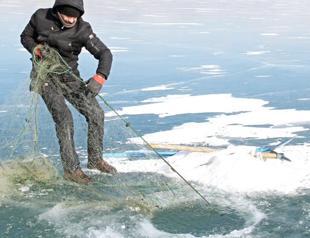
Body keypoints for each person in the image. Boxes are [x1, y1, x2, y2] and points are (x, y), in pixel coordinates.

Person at [20, 0, 117, 184]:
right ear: (57, 12)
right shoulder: (40, 16)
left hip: (70, 77)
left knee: (96, 114)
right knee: (64, 118)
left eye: (75, 16)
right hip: (45, 78)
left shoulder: (83, 30)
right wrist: (35, 48)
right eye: (67, 15)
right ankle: (71, 170)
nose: (71, 19)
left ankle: (95, 160)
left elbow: (105, 53)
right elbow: (25, 36)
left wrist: (100, 77)